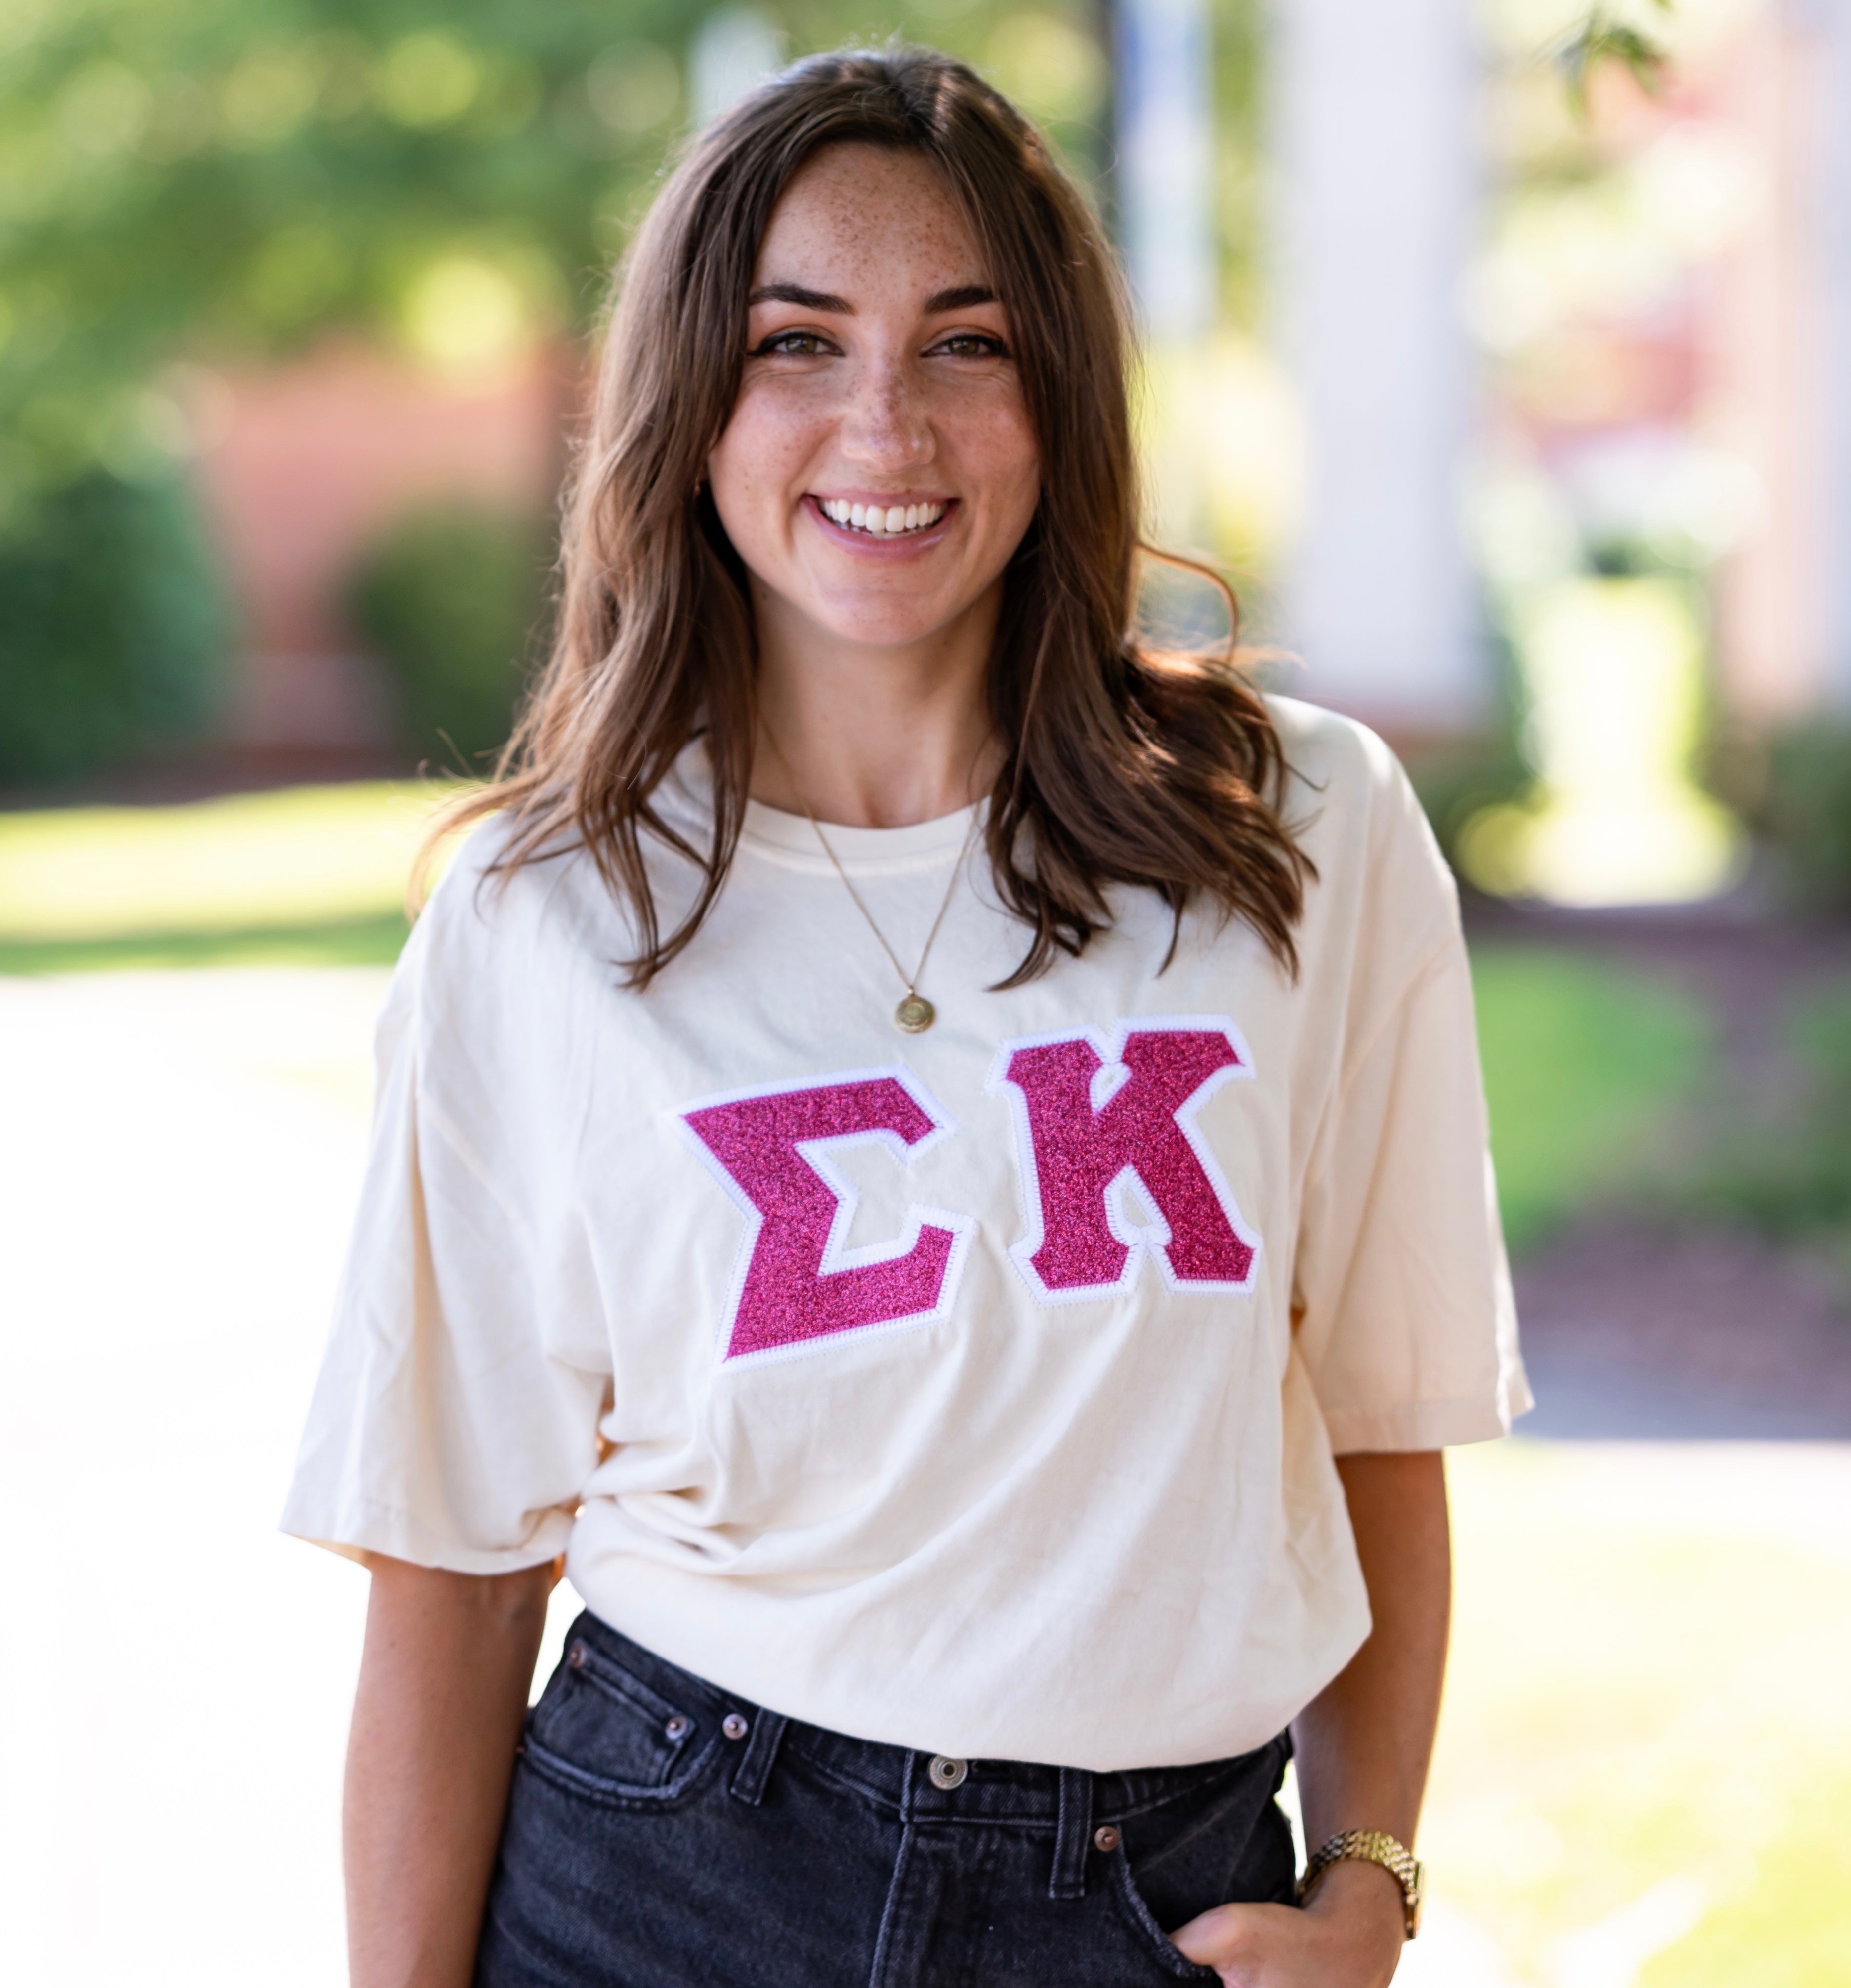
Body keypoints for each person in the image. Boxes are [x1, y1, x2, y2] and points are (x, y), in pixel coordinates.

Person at [282, 45, 1527, 1988]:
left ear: (1060, 397)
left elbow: (1377, 1414)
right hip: (668, 1870)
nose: (887, 425)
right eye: (797, 344)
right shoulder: (545, 919)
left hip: (1158, 1897)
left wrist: (1365, 1882)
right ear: (692, 400)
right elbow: (451, 1561)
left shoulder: (1300, 835)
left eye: (968, 345)